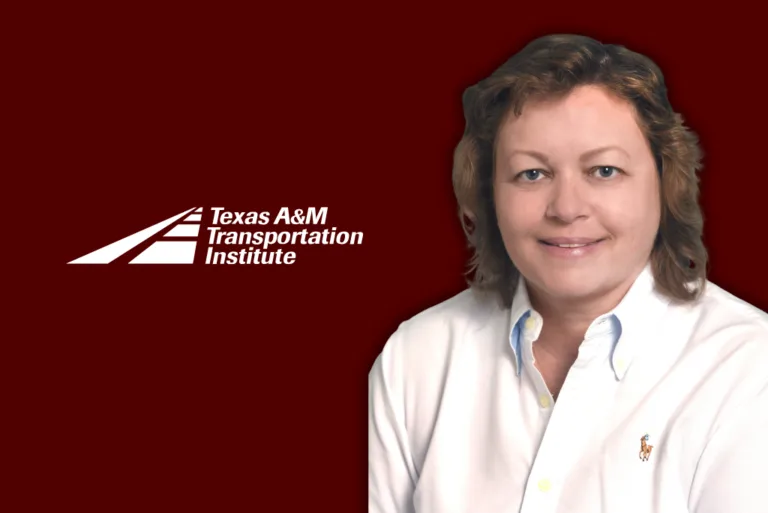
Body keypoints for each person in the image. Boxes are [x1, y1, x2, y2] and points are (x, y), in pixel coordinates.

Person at [368, 34, 768, 513]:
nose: (567, 208)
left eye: (603, 170)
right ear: (489, 194)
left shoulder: (748, 369)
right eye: (532, 174)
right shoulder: (416, 357)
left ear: (666, 183)